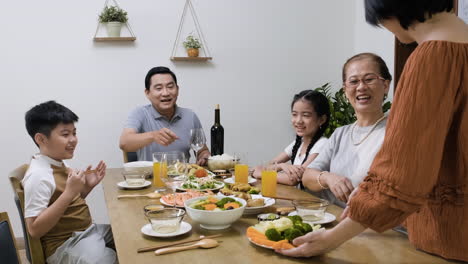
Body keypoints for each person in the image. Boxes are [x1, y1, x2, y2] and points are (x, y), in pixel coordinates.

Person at [278, 0, 468, 261]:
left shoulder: (432, 56)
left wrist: (331, 238)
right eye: (353, 82)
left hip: (449, 238)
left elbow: (402, 175)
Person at [23, 101, 116, 264]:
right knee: (107, 259)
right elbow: (34, 229)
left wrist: (86, 187)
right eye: (65, 134)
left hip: (86, 231)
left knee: (131, 234)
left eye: (74, 133)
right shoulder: (38, 175)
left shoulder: (57, 162)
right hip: (64, 244)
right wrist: (70, 192)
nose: (73, 140)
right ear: (41, 139)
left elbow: (66, 205)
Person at [302, 53, 391, 207]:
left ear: (385, 85)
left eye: (369, 79)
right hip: (334, 220)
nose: (361, 87)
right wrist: (328, 178)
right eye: (354, 81)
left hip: (374, 227)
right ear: (345, 90)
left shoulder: (395, 132)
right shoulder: (340, 133)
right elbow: (307, 176)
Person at [119, 66, 210, 164]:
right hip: (150, 177)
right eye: (158, 88)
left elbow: (201, 150)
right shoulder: (140, 113)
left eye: (170, 87)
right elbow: (124, 142)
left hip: (182, 177)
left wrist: (204, 157)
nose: (166, 93)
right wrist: (153, 136)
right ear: (147, 93)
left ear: (177, 89)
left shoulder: (190, 116)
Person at [252, 90, 330, 186]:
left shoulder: (323, 144)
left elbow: (294, 179)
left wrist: (260, 174)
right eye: (294, 114)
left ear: (321, 119)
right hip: (299, 199)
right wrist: (281, 166)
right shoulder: (298, 143)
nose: (298, 121)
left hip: (316, 201)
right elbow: (267, 165)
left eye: (306, 115)